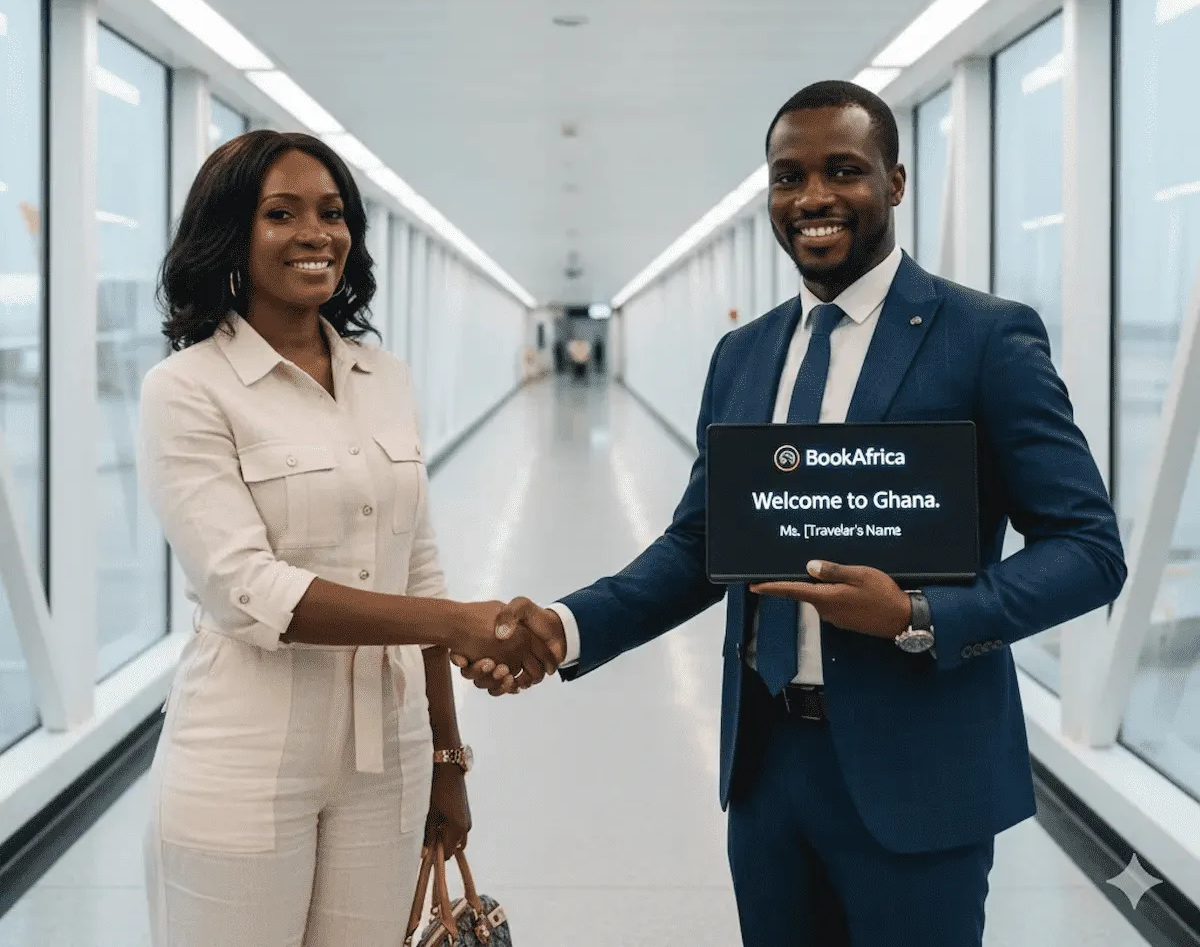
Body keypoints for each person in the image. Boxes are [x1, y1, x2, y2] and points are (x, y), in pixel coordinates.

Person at [455, 81, 1127, 946]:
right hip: (769, 767)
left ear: (896, 182)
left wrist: (921, 614)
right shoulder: (744, 354)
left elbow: (1089, 548)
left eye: (843, 171)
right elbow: (705, 543)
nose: (812, 197)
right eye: (787, 177)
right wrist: (563, 626)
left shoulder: (984, 338)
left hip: (918, 772)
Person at [138, 130, 558, 947]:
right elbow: (248, 592)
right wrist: (453, 624)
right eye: (281, 214)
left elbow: (421, 572)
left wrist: (447, 757)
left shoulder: (383, 377)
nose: (316, 233)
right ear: (230, 233)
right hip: (242, 755)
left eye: (333, 213)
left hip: (387, 761)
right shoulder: (186, 390)